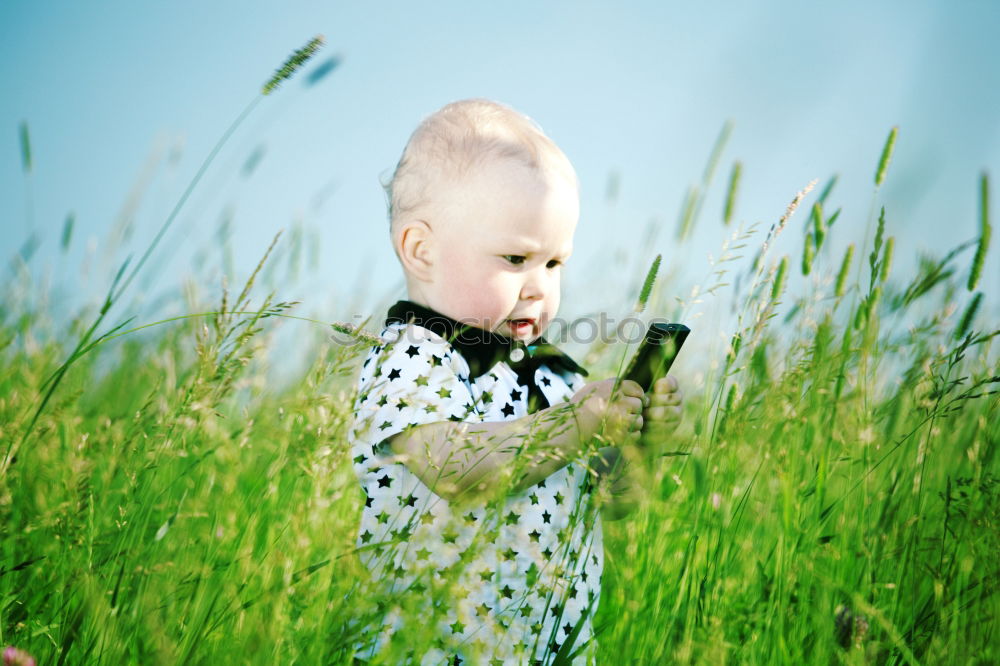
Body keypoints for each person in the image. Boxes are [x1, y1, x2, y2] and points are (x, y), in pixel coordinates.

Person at [347, 98, 683, 664]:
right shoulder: (413, 358)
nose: (539, 288)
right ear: (421, 250)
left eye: (554, 264)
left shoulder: (557, 376)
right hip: (429, 650)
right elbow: (454, 469)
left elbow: (614, 501)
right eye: (515, 258)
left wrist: (636, 439)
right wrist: (576, 423)